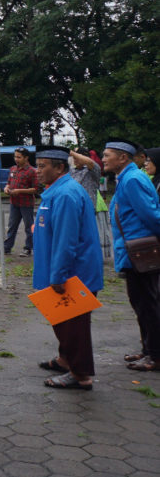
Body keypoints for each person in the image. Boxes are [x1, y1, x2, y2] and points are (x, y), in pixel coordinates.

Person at [31, 146, 104, 390]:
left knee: (74, 327)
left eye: (42, 166)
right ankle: (65, 360)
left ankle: (80, 374)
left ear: (60, 167)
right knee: (62, 320)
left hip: (72, 274)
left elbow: (66, 240)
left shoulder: (65, 195)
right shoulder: (56, 191)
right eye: (37, 166)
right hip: (59, 271)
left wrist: (59, 275)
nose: (38, 171)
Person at [103, 138, 160, 371]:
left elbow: (152, 215)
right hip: (131, 252)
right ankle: (148, 349)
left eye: (107, 155)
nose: (103, 159)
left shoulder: (133, 179)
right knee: (140, 303)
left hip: (141, 252)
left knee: (148, 304)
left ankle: (155, 355)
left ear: (123, 158)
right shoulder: (126, 178)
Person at [0, 147, 39, 257]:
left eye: (19, 157)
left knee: (28, 227)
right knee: (12, 226)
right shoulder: (13, 169)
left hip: (26, 204)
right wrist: (6, 188)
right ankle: (7, 247)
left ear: (26, 158)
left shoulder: (31, 171)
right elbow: (8, 183)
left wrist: (19, 191)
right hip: (14, 203)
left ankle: (28, 248)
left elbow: (35, 189)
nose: (16, 159)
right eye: (15, 156)